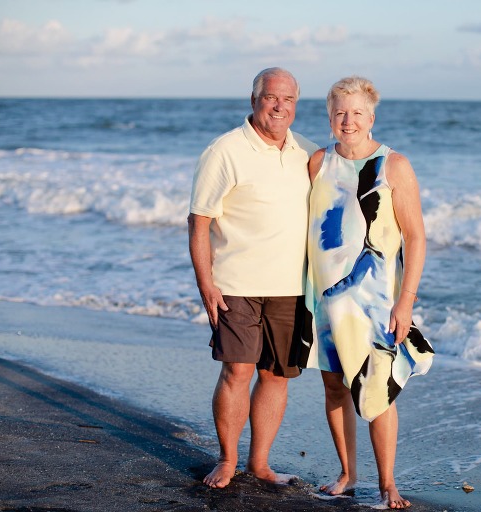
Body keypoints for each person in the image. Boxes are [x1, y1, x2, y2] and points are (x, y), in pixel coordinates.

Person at [298, 76, 434, 509]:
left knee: (377, 392)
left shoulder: (394, 166)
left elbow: (415, 237)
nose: (348, 120)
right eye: (340, 112)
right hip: (322, 300)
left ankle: (387, 482)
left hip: (375, 302)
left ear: (371, 117)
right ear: (329, 116)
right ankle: (347, 473)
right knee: (335, 388)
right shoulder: (318, 163)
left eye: (357, 112)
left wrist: (406, 300)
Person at [188, 67, 318, 489]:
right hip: (237, 284)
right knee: (237, 371)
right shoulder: (224, 150)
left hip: (292, 287)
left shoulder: (308, 154)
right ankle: (227, 460)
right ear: (254, 99)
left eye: (289, 100)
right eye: (271, 97)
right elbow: (198, 221)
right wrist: (205, 282)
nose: (280, 107)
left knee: (277, 375)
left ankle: (260, 463)